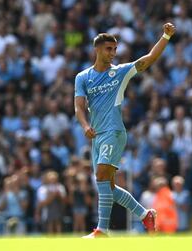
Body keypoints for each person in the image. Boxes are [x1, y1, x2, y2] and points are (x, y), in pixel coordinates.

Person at [74, 23, 176, 238]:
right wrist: (85, 125)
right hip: (97, 136)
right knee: (107, 188)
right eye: (108, 49)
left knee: (101, 175)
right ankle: (144, 214)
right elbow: (79, 107)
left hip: (114, 131)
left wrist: (165, 36)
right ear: (97, 50)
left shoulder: (119, 72)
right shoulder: (82, 77)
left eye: (115, 49)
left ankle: (102, 230)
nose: (113, 53)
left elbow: (147, 59)